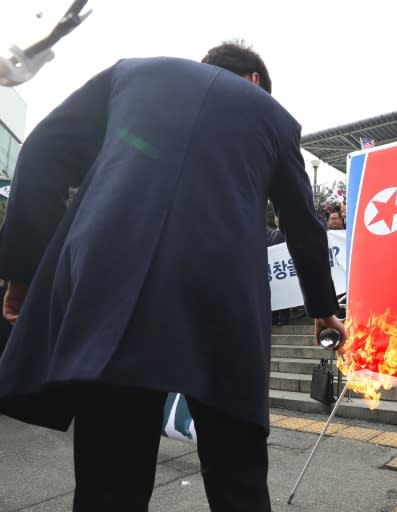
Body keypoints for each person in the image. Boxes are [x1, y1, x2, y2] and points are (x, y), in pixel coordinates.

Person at [0, 40, 345, 511]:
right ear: (256, 81)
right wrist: (324, 310)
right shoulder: (272, 116)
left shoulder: (131, 73)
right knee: (237, 471)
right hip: (221, 293)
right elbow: (304, 224)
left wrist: (24, 271)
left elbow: (41, 152)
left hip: (111, 282)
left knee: (110, 479)